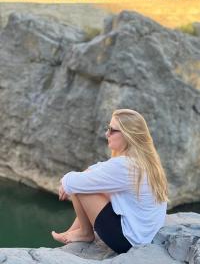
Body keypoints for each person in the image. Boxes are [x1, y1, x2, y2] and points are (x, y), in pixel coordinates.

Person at [51, 109, 168, 254]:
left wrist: (66, 181)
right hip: (141, 233)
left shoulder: (126, 165)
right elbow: (96, 170)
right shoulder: (142, 161)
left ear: (128, 135)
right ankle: (77, 230)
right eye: (108, 128)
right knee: (89, 180)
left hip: (127, 241)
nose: (107, 134)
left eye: (112, 130)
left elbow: (75, 183)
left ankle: (86, 233)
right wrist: (80, 176)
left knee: (80, 186)